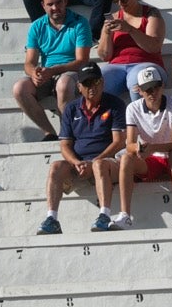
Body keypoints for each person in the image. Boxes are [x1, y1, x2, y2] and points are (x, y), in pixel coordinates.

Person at [37, 62, 126, 235]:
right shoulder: (71, 108)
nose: (92, 87)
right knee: (56, 166)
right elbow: (64, 145)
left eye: (96, 82)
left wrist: (93, 162)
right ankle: (52, 218)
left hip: (108, 161)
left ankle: (105, 215)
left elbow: (119, 142)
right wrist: (77, 163)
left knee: (100, 165)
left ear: (103, 82)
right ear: (79, 87)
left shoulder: (115, 104)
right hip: (81, 164)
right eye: (87, 83)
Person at [114, 64, 172, 230]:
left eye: (155, 88)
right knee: (126, 158)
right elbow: (130, 144)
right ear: (139, 90)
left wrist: (150, 148)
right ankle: (125, 214)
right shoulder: (132, 108)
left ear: (162, 87)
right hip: (154, 159)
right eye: (147, 89)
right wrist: (139, 149)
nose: (152, 93)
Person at [13, 0, 93, 140]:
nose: (55, 7)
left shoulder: (80, 23)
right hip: (48, 73)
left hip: (71, 72)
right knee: (19, 88)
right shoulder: (37, 26)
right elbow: (29, 62)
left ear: (65, 1)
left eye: (58, 2)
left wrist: (52, 71)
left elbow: (82, 61)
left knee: (63, 84)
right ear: (43, 6)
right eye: (50, 4)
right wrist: (34, 73)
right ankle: (49, 132)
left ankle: (67, 134)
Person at [95, 0, 167, 100]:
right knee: (96, 86)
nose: (120, 4)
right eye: (115, 0)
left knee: (137, 82)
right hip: (117, 66)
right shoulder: (114, 17)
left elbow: (154, 47)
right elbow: (104, 56)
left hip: (146, 63)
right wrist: (106, 33)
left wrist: (130, 30)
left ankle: (141, 119)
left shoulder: (151, 14)